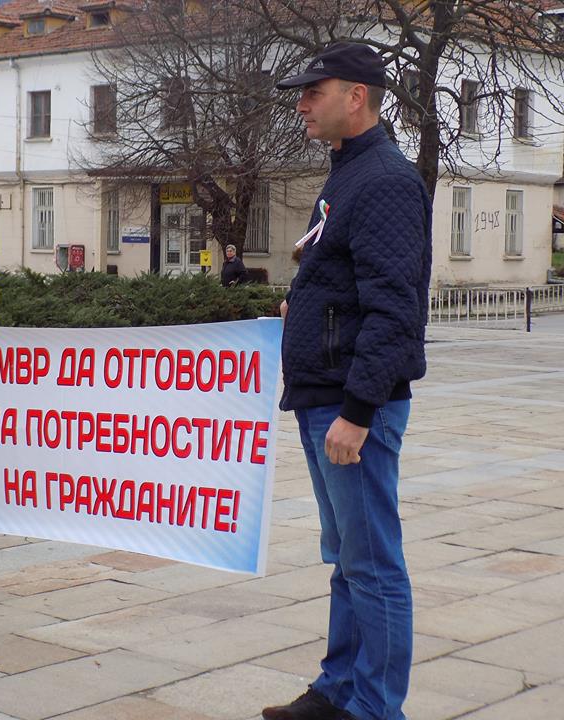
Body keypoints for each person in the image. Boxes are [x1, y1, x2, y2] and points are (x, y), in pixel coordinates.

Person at [263, 44, 432, 720]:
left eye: (315, 91)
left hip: (350, 404)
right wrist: (302, 306)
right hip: (323, 395)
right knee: (348, 560)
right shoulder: (348, 174)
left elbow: (394, 309)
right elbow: (345, 283)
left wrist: (359, 412)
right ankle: (339, 691)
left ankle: (375, 707)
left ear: (356, 96)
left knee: (373, 565)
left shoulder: (384, 180)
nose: (302, 105)